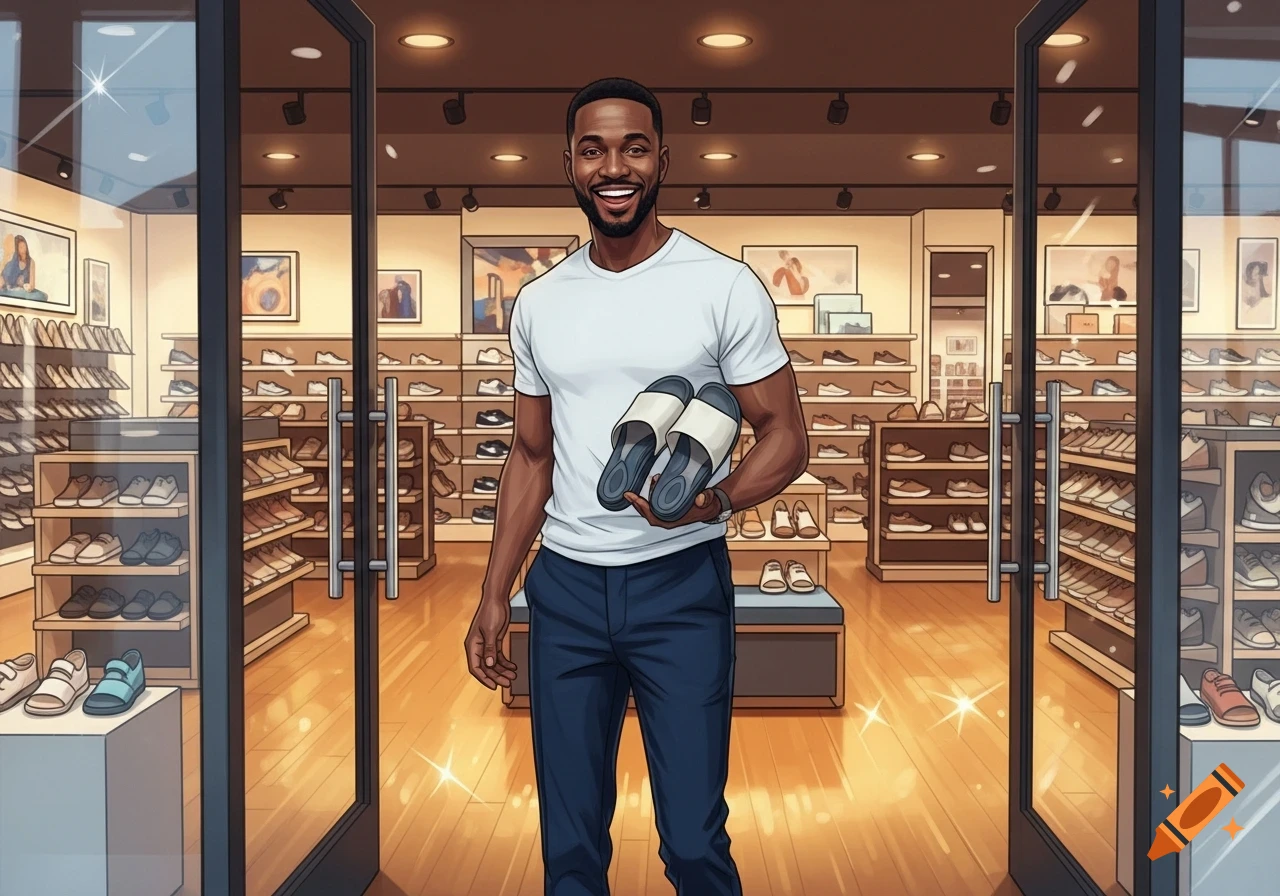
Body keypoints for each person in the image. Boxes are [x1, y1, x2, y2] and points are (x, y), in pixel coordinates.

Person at [463, 77, 808, 896]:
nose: (613, 166)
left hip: (680, 584)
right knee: (570, 849)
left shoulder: (722, 287)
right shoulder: (541, 302)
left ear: (663, 159)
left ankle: (682, 434)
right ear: (570, 164)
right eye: (593, 149)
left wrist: (715, 500)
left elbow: (788, 435)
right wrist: (492, 593)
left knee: (692, 843)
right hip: (567, 591)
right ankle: (659, 427)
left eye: (633, 147)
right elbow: (530, 453)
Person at [1, 235, 47, 301]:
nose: (23, 249)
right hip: (12, 290)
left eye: (24, 246)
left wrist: (29, 287)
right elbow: (4, 277)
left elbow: (32, 284)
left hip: (25, 291)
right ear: (17, 249)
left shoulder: (31, 262)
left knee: (42, 296)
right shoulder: (13, 261)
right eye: (20, 247)